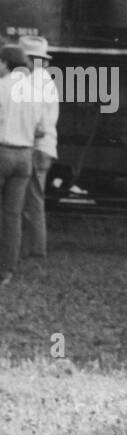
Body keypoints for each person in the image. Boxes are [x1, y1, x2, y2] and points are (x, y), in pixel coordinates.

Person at [0, 44, 46, 285]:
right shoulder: (34, 91)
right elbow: (41, 129)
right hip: (25, 156)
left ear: (6, 63)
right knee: (12, 216)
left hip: (2, 151)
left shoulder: (2, 86)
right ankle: (6, 271)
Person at [18, 35, 60, 260]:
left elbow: (38, 123)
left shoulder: (34, 81)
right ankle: (32, 248)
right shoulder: (44, 79)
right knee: (33, 199)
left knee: (31, 200)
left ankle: (34, 250)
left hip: (36, 147)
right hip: (44, 147)